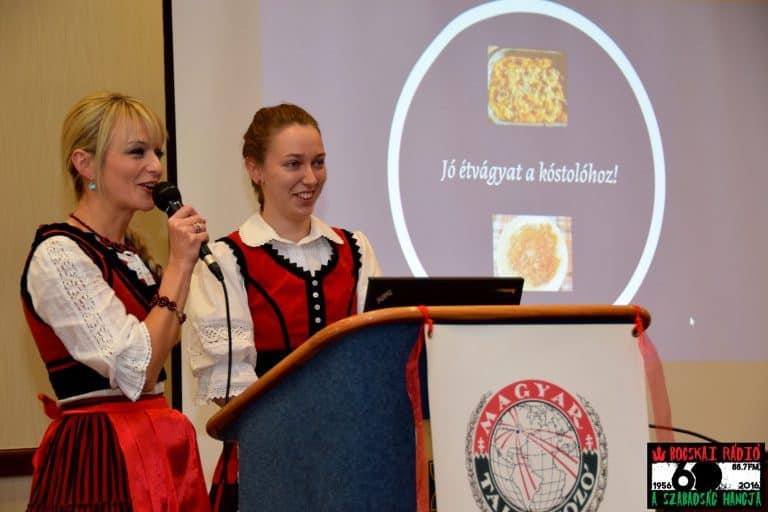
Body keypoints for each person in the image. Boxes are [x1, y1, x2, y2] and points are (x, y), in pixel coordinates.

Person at [184, 103, 381, 510]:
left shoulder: (356, 250)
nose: (311, 178)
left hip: (351, 465)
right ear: (255, 170)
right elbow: (230, 391)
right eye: (294, 164)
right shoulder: (225, 260)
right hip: (269, 467)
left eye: (318, 162)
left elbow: (378, 358)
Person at [20, 92, 211, 511]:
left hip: (156, 447)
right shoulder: (59, 255)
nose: (155, 166)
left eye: (158, 152)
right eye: (137, 152)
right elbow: (137, 369)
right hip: (100, 458)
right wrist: (180, 265)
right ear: (85, 163)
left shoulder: (129, 256)